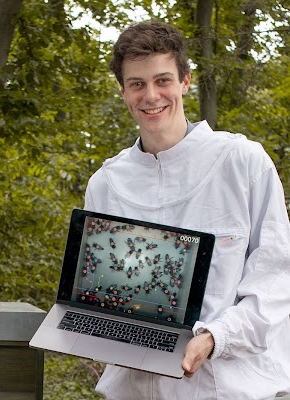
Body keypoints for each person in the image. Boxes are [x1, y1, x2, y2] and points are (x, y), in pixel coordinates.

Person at [84, 21, 290, 399]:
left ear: (185, 81)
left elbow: (276, 277)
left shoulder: (242, 162)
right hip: (134, 390)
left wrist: (216, 336)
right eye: (137, 84)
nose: (151, 95)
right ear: (123, 91)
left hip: (231, 388)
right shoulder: (106, 183)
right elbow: (98, 289)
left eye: (163, 80)